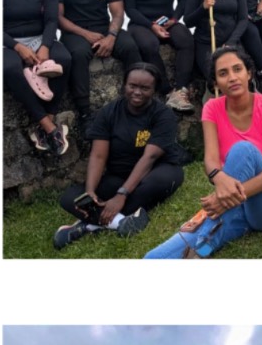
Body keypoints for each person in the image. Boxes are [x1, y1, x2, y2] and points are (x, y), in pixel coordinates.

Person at [143, 45, 262, 258]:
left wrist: (223, 200)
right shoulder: (212, 108)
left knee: (243, 150)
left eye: (237, 69)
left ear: (249, 73)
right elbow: (211, 163)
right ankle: (203, 250)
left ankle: (201, 245)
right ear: (215, 82)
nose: (232, 77)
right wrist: (220, 181)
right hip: (237, 207)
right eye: (223, 73)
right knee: (155, 258)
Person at [54, 62, 187, 250]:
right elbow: (98, 156)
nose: (137, 92)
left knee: (162, 180)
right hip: (119, 176)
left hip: (154, 171)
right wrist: (90, 192)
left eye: (144, 88)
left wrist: (121, 196)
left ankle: (90, 224)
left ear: (154, 90)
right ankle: (120, 222)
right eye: (132, 86)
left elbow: (149, 158)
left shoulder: (163, 115)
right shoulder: (109, 112)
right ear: (124, 85)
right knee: (70, 198)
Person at [53, 0, 141, 129]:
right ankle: (85, 113)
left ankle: (136, 101)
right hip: (74, 32)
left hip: (104, 29)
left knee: (129, 46)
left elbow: (118, 13)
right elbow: (58, 17)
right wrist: (85, 34)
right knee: (78, 54)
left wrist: (111, 36)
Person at [3, 0, 73, 156]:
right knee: (10, 69)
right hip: (8, 42)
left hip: (40, 37)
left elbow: (52, 20)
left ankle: (48, 120)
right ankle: (49, 128)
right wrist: (17, 47)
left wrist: (44, 46)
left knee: (65, 59)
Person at [182, 0, 250, 104]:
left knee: (239, 81)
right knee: (218, 80)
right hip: (206, 43)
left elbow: (242, 20)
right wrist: (203, 8)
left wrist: (232, 43)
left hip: (232, 44)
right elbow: (188, 21)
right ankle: (216, 115)